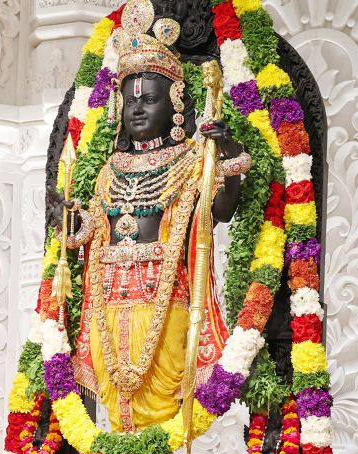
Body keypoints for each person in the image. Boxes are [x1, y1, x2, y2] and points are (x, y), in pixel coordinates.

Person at [53, 1, 251, 432]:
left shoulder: (191, 158)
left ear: (175, 104)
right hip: (108, 297)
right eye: (130, 101)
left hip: (167, 295)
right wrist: (67, 222)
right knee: (114, 383)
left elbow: (221, 208)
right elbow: (90, 231)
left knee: (162, 380)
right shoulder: (108, 169)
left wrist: (228, 151)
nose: (137, 109)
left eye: (150, 100)